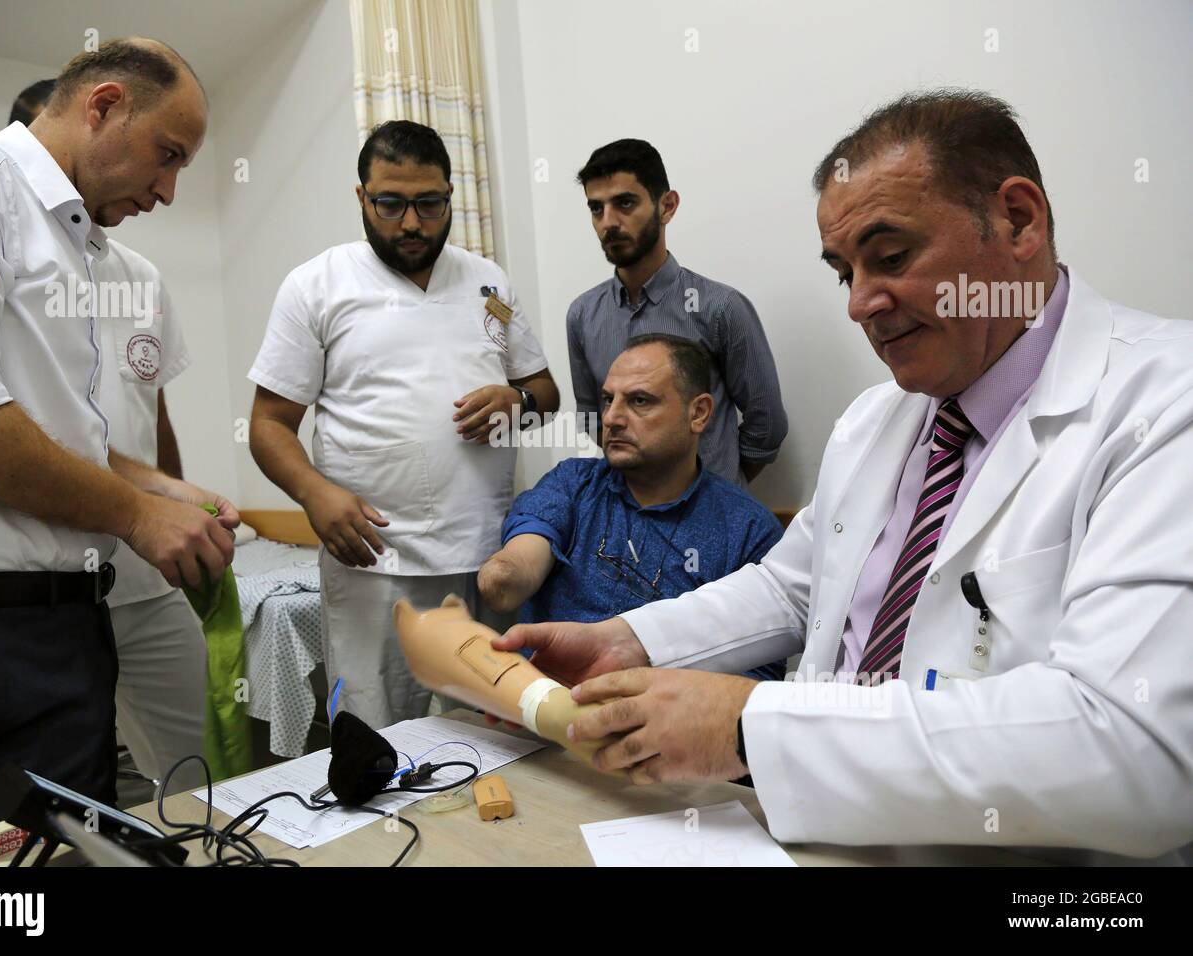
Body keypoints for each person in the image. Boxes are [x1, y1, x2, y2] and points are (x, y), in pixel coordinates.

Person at [495, 90, 1193, 863]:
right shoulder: (877, 420)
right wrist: (628, 641)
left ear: (1019, 221)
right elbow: (791, 589)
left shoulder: (1164, 404)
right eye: (843, 273)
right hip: (824, 841)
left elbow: (1138, 749)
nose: (861, 304)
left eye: (890, 257)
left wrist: (748, 728)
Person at [0, 37, 236, 866]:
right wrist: (136, 515)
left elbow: (70, 440)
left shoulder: (82, 252)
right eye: (168, 156)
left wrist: (164, 494)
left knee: (74, 858)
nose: (168, 190)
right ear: (105, 105)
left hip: (65, 630)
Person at [248, 120, 559, 730]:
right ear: (361, 198)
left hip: (487, 560)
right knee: (376, 736)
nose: (412, 223)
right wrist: (315, 495)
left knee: (500, 733)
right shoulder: (317, 285)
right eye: (390, 203)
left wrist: (515, 399)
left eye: (429, 203)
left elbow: (546, 392)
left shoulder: (488, 282)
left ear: (450, 198)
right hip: (373, 560)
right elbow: (268, 424)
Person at [9, 78, 210, 793]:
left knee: (192, 775)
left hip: (143, 564)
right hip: (42, 572)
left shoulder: (139, 278)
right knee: (58, 787)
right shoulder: (3, 249)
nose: (164, 190)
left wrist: (174, 497)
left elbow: (148, 408)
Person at [478, 334, 785, 681]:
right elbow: (515, 568)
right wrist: (502, 575)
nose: (612, 418)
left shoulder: (747, 530)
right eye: (608, 400)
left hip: (659, 723)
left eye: (639, 401)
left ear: (698, 413)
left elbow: (755, 680)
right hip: (534, 708)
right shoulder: (573, 484)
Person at [566, 139, 787, 486]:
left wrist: (719, 486)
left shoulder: (720, 308)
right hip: (627, 519)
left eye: (625, 203)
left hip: (716, 521)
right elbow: (594, 418)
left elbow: (768, 425)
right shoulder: (582, 315)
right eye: (597, 209)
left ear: (667, 206)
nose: (608, 223)